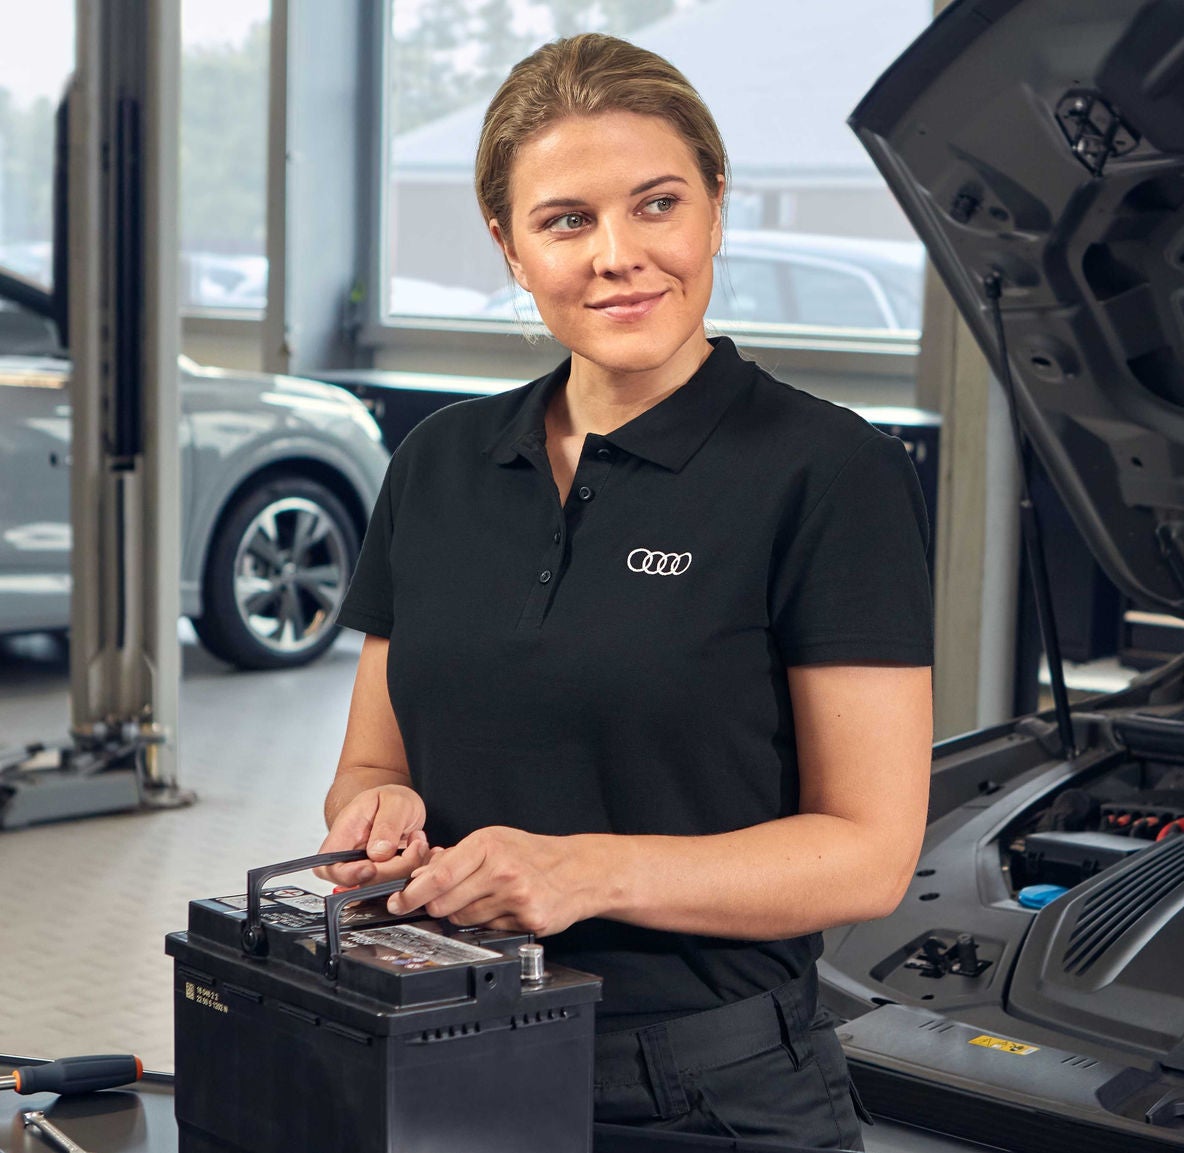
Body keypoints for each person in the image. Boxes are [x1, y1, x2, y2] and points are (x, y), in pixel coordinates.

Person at [312, 31, 934, 1149]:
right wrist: (375, 815)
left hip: (708, 1091)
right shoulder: (440, 464)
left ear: (714, 206)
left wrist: (583, 873)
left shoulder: (829, 471)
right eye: (566, 220)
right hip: (441, 1052)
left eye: (656, 204)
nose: (619, 255)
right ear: (509, 246)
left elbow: (870, 852)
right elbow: (374, 762)